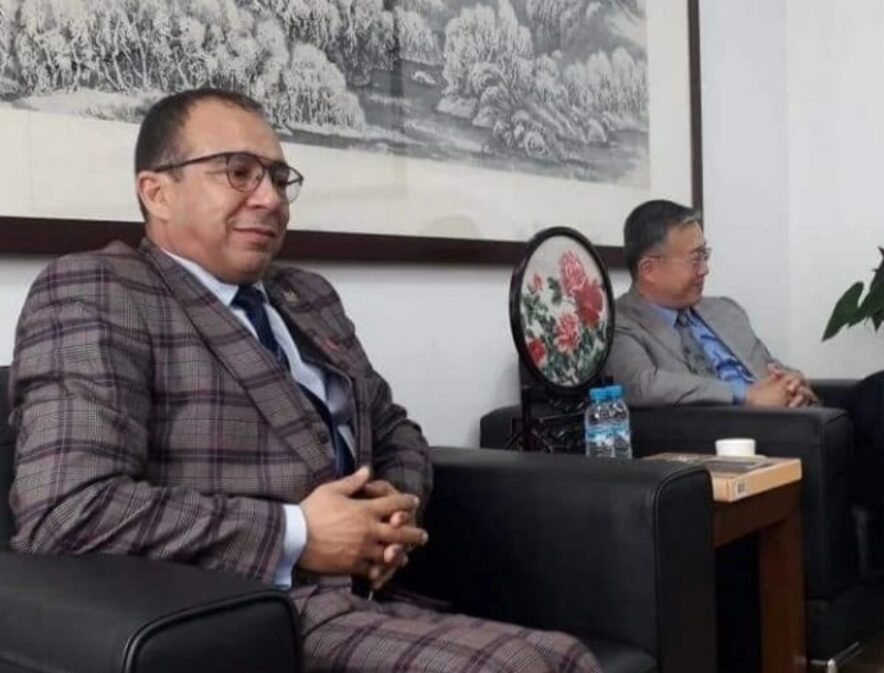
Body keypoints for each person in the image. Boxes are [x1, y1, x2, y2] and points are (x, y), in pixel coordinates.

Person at [7, 88, 599, 673]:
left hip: (378, 590)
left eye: (278, 177)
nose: (270, 199)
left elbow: (394, 427)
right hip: (249, 612)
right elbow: (66, 509)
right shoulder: (98, 290)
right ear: (156, 191)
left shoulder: (306, 295)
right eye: (238, 173)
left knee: (568, 654)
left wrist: (393, 516)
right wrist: (298, 533)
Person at [606, 199, 884, 673]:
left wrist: (791, 381)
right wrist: (747, 396)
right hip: (763, 448)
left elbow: (767, 365)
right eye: (695, 257)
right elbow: (644, 385)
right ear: (650, 268)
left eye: (706, 254)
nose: (706, 268)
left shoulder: (722, 311)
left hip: (809, 430)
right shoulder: (622, 325)